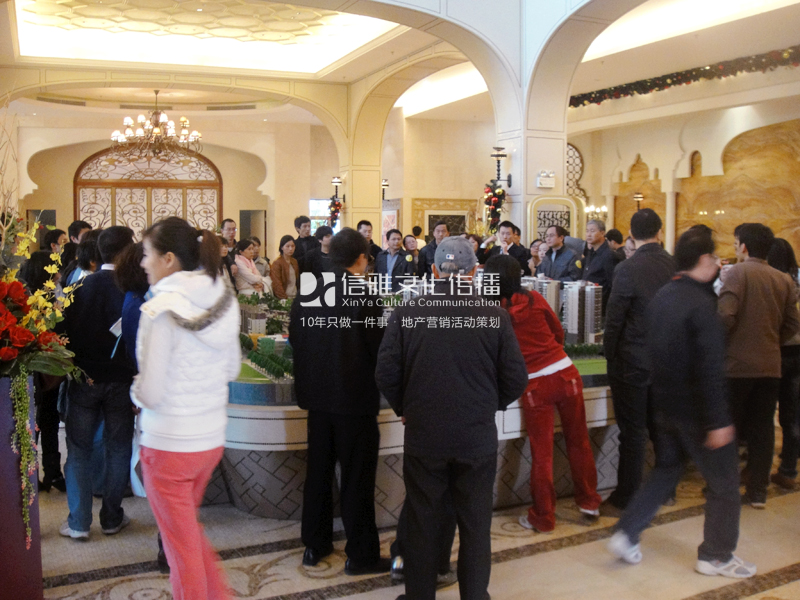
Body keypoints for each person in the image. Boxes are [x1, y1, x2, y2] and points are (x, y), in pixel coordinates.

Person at [376, 236, 528, 600]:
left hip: (424, 435)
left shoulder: (408, 312)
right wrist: (486, 405)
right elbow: (516, 378)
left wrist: (405, 408)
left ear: (433, 270)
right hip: (475, 437)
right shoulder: (495, 316)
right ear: (474, 272)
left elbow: (386, 372)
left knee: (423, 521)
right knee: (475, 525)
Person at [608, 226, 756, 579]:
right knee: (724, 483)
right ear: (704, 259)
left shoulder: (664, 295)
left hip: (664, 403)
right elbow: (709, 368)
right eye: (715, 257)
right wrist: (718, 421)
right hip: (699, 412)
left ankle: (627, 532)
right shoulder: (702, 305)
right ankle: (716, 555)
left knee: (666, 470)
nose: (718, 264)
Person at [133, 217, 240, 600]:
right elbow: (231, 368)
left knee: (181, 548)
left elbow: (151, 392)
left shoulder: (159, 310)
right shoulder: (225, 301)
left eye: (147, 254)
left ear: (169, 259)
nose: (142, 263)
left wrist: (135, 391)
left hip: (168, 446)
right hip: (209, 441)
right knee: (187, 537)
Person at [289, 228, 390, 576]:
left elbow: (296, 343)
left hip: (316, 400)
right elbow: (380, 352)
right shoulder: (366, 296)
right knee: (357, 479)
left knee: (318, 473)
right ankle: (361, 555)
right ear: (361, 259)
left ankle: (314, 545)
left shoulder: (307, 292)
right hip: (355, 402)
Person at [485, 255, 601, 533]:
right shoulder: (535, 298)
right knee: (579, 441)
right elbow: (557, 331)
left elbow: (496, 356)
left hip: (535, 385)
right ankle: (589, 502)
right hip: (566, 373)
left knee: (542, 453)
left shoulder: (494, 312)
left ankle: (544, 517)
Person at [59, 226, 136, 540]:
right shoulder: (131, 288)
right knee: (118, 449)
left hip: (84, 379)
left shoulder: (79, 286)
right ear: (126, 251)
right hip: (121, 380)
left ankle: (78, 522)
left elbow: (63, 332)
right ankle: (111, 518)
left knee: (78, 450)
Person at [718, 223, 800, 508]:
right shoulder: (783, 279)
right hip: (770, 365)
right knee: (763, 429)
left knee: (731, 427)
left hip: (737, 366)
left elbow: (725, 316)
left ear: (743, 246)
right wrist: (771, 340)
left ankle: (725, 488)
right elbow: (793, 323)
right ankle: (758, 492)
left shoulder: (737, 273)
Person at [602, 209, 675, 514]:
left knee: (633, 432)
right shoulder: (674, 265)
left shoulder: (628, 268)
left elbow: (614, 319)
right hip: (667, 360)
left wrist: (609, 356)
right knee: (661, 427)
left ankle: (626, 497)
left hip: (632, 361)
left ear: (631, 234)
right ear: (659, 232)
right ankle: (666, 490)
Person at [21, 251, 66, 493]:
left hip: (34, 370)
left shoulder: (23, 295)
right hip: (46, 370)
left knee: (35, 423)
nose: (59, 275)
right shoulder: (44, 299)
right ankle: (51, 472)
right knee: (46, 422)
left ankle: (35, 474)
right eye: (55, 270)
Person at [767, 238, 800, 491]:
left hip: (775, 350)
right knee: (792, 415)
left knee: (763, 413)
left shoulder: (772, 282)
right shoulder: (796, 280)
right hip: (798, 352)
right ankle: (788, 470)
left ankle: (756, 469)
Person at [581, 219, 616, 311]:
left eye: (592, 231)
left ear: (602, 233)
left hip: (600, 306)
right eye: (587, 231)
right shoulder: (590, 253)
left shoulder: (608, 255)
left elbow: (612, 284)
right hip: (587, 303)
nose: (588, 234)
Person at [270, 235, 299, 300]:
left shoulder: (294, 261)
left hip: (295, 295)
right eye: (287, 246)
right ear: (282, 247)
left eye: (292, 246)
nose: (291, 249)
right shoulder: (277, 263)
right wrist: (284, 298)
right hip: (284, 297)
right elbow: (277, 284)